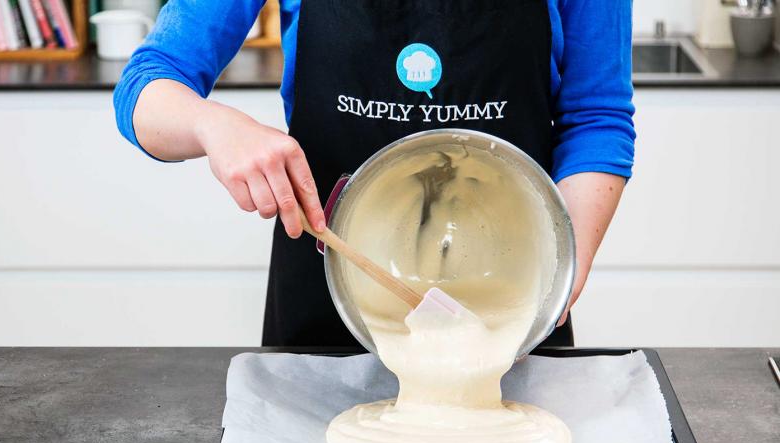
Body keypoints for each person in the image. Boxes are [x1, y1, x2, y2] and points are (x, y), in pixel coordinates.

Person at [114, 0, 635, 349]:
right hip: (325, 307)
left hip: (511, 308)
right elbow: (145, 87)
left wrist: (561, 271)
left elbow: (597, 117)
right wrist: (213, 126)